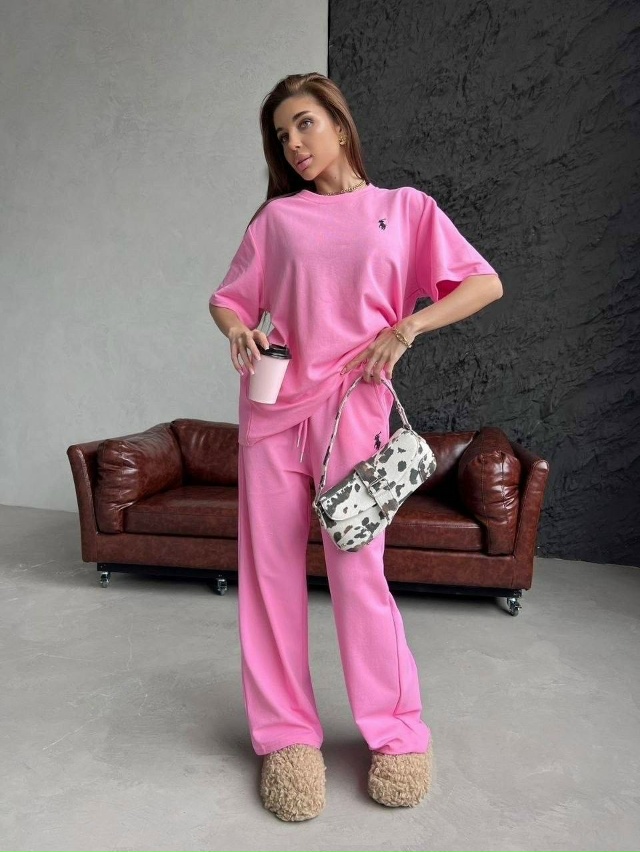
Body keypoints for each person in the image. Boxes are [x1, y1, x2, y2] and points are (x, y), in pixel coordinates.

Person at [209, 72, 503, 822]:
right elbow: (229, 298)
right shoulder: (277, 220)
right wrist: (239, 330)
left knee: (358, 573)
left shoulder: (404, 211)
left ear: (339, 125)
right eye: (281, 136)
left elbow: (483, 283)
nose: (294, 145)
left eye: (304, 124)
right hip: (273, 411)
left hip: (356, 411)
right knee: (269, 577)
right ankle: (286, 739)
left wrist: (408, 327)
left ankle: (398, 733)